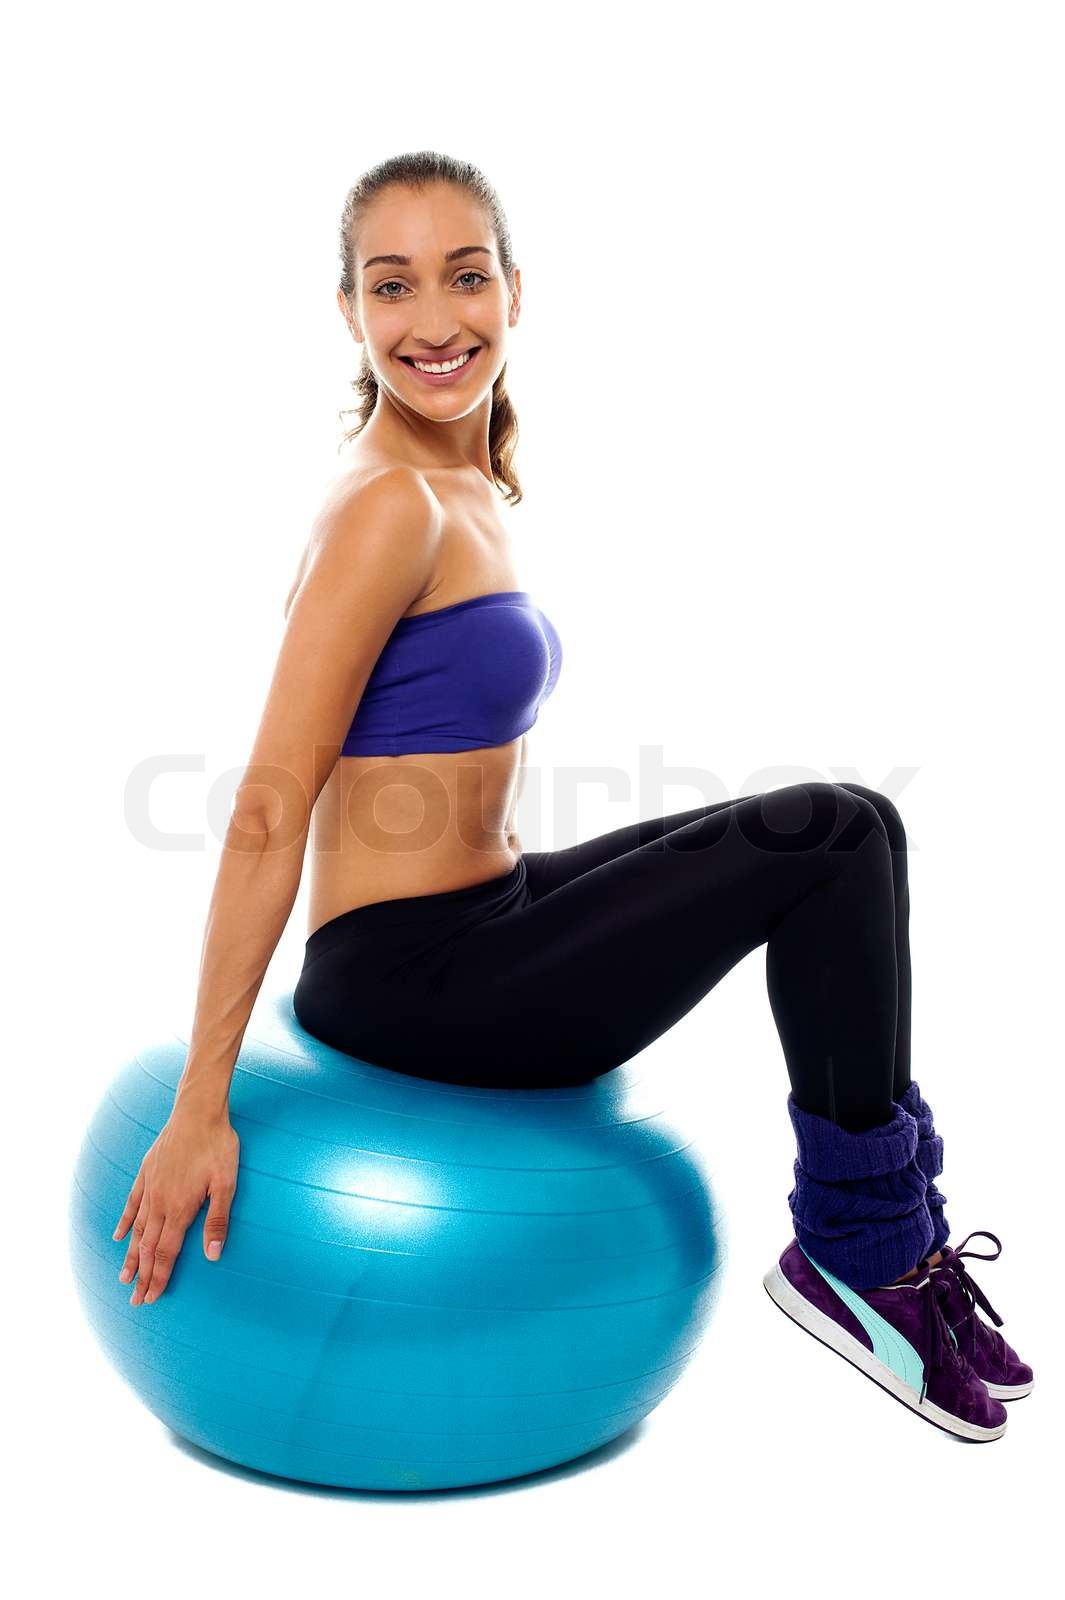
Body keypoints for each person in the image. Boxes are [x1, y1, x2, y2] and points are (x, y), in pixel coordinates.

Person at [113, 150, 1032, 1442]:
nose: (434, 320)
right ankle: (864, 1254)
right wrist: (201, 1099)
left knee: (852, 830)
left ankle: (898, 1245)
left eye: (464, 276)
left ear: (514, 290)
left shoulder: (465, 480)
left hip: (480, 915)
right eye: (392, 288)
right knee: (828, 837)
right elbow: (272, 804)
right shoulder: (388, 507)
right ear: (349, 314)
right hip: (410, 986)